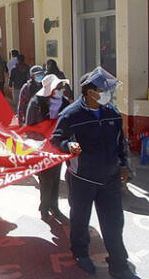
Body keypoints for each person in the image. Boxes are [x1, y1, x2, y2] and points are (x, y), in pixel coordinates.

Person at [51, 67, 139, 279]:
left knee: (114, 222)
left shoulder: (112, 113)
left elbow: (121, 143)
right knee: (80, 219)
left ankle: (119, 265)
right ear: (90, 92)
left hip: (110, 179)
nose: (107, 93)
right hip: (82, 178)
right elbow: (56, 139)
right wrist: (67, 145)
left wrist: (124, 165)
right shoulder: (71, 114)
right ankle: (80, 253)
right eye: (103, 89)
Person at [25, 74, 71, 222]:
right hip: (42, 146)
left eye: (61, 87)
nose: (60, 90)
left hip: (58, 145)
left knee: (56, 176)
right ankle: (45, 207)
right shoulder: (36, 102)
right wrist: (40, 138)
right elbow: (29, 126)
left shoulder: (65, 102)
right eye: (57, 87)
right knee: (45, 178)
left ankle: (53, 206)